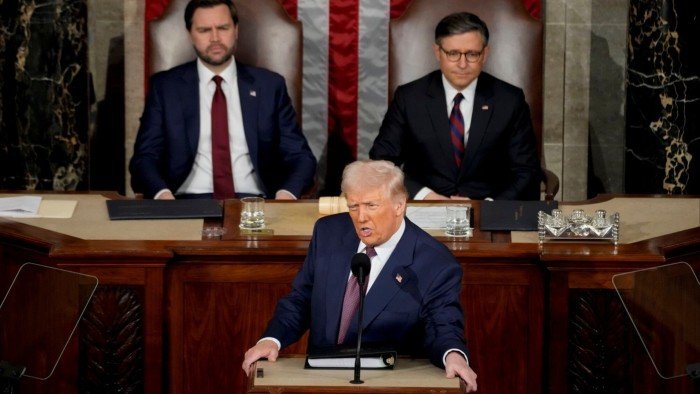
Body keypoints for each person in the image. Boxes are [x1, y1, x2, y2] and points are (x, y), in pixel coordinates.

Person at [242, 160, 478, 392]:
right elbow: (301, 299)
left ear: (399, 205)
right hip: (320, 383)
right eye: (353, 206)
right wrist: (271, 339)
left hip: (387, 386)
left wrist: (453, 355)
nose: (360, 217)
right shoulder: (329, 233)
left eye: (371, 205)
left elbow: (443, 325)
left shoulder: (434, 262)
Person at [130, 0, 316, 200]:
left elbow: (301, 157)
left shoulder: (269, 86)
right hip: (183, 202)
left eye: (222, 28)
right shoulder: (165, 88)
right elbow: (144, 158)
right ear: (189, 34)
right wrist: (162, 195)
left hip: (255, 203)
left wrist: (285, 195)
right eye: (204, 30)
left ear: (235, 30)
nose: (215, 38)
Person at [370, 12, 541, 201]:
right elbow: (382, 163)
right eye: (452, 53)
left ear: (485, 54)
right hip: (424, 210)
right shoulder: (409, 97)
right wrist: (425, 196)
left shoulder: (510, 100)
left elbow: (526, 170)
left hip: (489, 214)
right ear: (438, 52)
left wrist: (487, 207)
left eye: (472, 54)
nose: (462, 64)